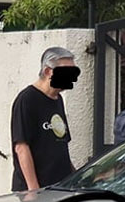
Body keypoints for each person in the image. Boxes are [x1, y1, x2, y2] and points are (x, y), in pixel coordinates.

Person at [11, 47, 80, 192]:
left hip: (59, 188)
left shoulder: (58, 99)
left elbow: (61, 147)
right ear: (48, 71)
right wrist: (34, 190)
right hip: (36, 191)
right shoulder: (27, 99)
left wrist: (74, 179)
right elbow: (22, 147)